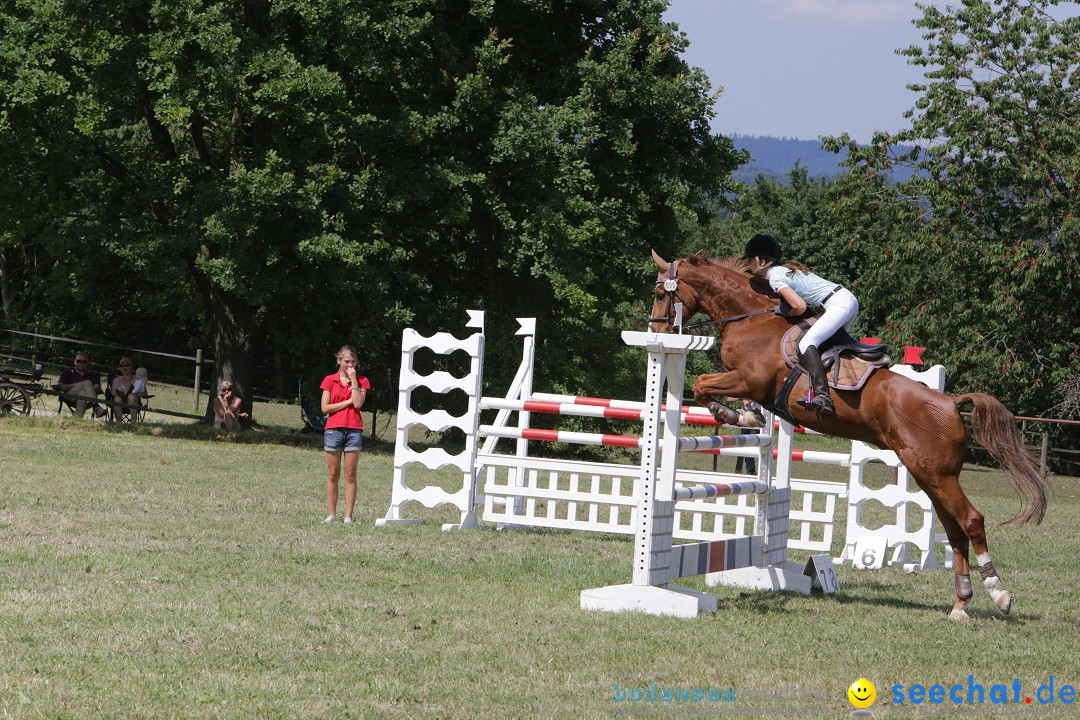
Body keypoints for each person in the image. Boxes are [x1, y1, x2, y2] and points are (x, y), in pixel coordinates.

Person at [743, 233, 858, 415]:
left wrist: (785, 311)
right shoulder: (783, 270)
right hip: (844, 299)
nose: (747, 265)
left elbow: (799, 306)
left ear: (761, 261)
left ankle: (823, 396)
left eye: (749, 260)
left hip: (837, 304)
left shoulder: (775, 277)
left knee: (806, 343)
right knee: (829, 348)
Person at [319, 345, 370, 525]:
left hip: (354, 430)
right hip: (333, 430)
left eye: (353, 362)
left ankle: (348, 516)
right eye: (347, 361)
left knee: (350, 475)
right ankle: (331, 514)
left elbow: (357, 405)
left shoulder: (362, 380)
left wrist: (354, 380)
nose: (350, 365)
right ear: (339, 361)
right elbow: (325, 408)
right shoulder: (329, 380)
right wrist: (347, 400)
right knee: (333, 474)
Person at [56, 352, 106, 418]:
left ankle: (76, 418)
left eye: (84, 362)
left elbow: (97, 388)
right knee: (87, 382)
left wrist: (87, 390)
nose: (81, 363)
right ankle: (96, 406)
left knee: (83, 393)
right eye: (79, 361)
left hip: (87, 398)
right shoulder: (67, 373)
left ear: (87, 363)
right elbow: (60, 387)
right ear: (74, 362)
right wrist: (75, 385)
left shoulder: (93, 374)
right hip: (70, 395)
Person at [108, 357, 149, 421]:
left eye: (127, 365)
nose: (125, 367)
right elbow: (113, 393)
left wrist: (134, 393)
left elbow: (145, 393)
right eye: (122, 365)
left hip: (133, 402)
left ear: (131, 367)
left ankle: (133, 424)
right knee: (117, 398)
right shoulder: (116, 380)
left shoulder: (137, 379)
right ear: (119, 368)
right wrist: (124, 392)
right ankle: (119, 424)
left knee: (131, 396)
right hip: (120, 401)